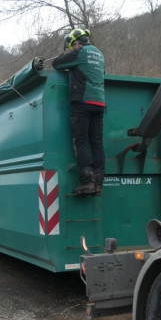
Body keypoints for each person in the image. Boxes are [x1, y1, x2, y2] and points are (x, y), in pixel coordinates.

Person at [52, 29, 106, 196]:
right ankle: (98, 183)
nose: (73, 47)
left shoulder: (80, 52)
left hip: (82, 102)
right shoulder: (100, 55)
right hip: (100, 103)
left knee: (81, 141)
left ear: (76, 43)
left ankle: (86, 181)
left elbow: (57, 64)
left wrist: (64, 55)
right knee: (96, 142)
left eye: (73, 45)